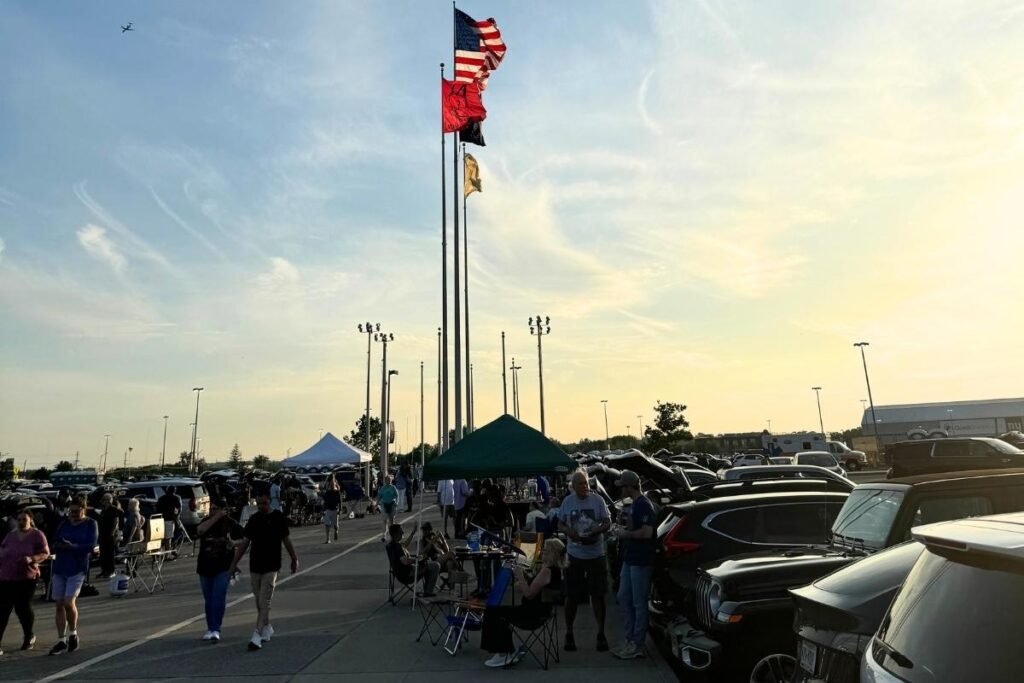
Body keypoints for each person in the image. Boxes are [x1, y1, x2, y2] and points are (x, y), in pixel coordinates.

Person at [480, 538, 567, 668]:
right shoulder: (555, 570)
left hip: (531, 615)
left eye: (546, 550)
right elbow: (535, 587)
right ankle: (507, 650)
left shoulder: (547, 571)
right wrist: (524, 574)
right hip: (543, 612)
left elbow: (529, 594)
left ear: (552, 553)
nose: (542, 551)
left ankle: (504, 653)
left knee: (493, 612)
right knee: (497, 611)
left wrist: (519, 575)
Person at [229, 492, 297, 651]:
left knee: (264, 600)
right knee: (259, 600)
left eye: (264, 503)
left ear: (270, 502)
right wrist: (233, 563)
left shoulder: (278, 518)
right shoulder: (254, 520)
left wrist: (294, 558)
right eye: (259, 504)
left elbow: (286, 540)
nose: (261, 507)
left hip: (272, 565)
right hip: (255, 565)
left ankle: (256, 635)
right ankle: (266, 627)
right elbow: (245, 543)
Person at [557, 469, 611, 653]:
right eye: (581, 484)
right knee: (571, 596)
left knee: (598, 595)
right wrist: (569, 531)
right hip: (575, 555)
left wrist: (597, 530)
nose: (585, 487)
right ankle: (569, 633)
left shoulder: (598, 501)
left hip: (596, 554)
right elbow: (560, 523)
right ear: (573, 486)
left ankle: (601, 633)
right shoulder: (568, 502)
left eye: (586, 483)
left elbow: (607, 522)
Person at [610, 470, 656, 659]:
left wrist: (624, 534)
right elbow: (634, 529)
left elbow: (646, 533)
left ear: (629, 487)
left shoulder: (644, 505)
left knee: (638, 602)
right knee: (623, 597)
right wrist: (622, 527)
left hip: (641, 560)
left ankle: (638, 644)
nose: (620, 490)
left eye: (622, 486)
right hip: (630, 558)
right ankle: (630, 639)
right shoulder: (634, 505)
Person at [48, 496, 98, 656]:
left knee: (69, 602)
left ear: (84, 509)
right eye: (71, 512)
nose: (73, 515)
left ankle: (73, 633)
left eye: (76, 512)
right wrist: (59, 545)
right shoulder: (64, 524)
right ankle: (61, 639)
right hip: (61, 566)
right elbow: (54, 540)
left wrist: (73, 546)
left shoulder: (91, 524)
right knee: (59, 604)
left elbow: (91, 545)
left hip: (77, 567)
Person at [0, 511, 50, 656]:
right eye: (19, 519)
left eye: (24, 519)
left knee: (22, 608)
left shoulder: (37, 535)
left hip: (27, 577)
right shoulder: (10, 536)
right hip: (7, 576)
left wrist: (32, 559)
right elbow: (3, 550)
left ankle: (29, 636)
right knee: (3, 610)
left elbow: (45, 553)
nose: (21, 522)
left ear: (30, 520)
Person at [196, 497, 244, 643]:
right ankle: (210, 628)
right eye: (211, 508)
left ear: (223, 510)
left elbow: (245, 539)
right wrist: (215, 517)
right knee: (208, 599)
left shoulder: (230, 523)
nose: (211, 511)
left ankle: (216, 629)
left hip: (223, 566)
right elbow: (200, 531)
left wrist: (233, 543)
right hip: (205, 566)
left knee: (218, 597)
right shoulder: (206, 521)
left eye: (215, 509)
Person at [385, 524, 439, 597]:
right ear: (396, 534)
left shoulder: (391, 545)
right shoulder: (397, 547)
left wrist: (413, 533)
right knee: (435, 566)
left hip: (399, 574)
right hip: (408, 574)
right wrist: (417, 559)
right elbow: (405, 561)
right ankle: (428, 592)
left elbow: (404, 546)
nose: (403, 532)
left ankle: (427, 589)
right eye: (401, 531)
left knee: (428, 565)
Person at [96, 494, 120, 578]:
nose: (103, 502)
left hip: (110, 534)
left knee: (110, 553)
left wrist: (113, 532)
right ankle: (104, 570)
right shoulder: (103, 510)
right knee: (103, 553)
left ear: (109, 500)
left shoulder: (113, 509)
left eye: (105, 500)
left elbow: (116, 521)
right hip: (103, 534)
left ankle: (111, 571)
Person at [156, 486, 182, 550]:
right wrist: (177, 516)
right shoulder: (175, 498)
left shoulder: (161, 498)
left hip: (161, 519)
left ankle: (167, 549)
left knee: (163, 537)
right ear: (174, 491)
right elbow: (179, 508)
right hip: (170, 519)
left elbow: (157, 509)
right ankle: (170, 550)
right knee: (172, 536)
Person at [377, 475, 398, 541]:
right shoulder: (383, 488)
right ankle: (384, 535)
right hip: (384, 505)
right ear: (385, 481)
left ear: (391, 480)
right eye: (387, 480)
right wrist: (377, 503)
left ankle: (392, 536)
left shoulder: (393, 487)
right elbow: (379, 496)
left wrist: (397, 503)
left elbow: (397, 496)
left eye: (390, 480)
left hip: (392, 504)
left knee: (392, 521)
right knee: (384, 521)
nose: (389, 481)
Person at [321, 479, 342, 544]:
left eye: (333, 484)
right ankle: (328, 538)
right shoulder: (327, 493)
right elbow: (324, 502)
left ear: (335, 484)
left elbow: (340, 502)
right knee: (327, 524)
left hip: (335, 509)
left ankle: (336, 532)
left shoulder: (337, 492)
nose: (332, 485)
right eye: (331, 484)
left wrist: (340, 509)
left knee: (335, 525)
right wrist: (323, 510)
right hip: (328, 509)